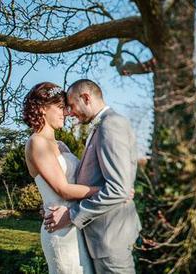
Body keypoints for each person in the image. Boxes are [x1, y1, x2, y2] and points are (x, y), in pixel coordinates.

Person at [44, 79, 141, 274]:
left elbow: (118, 190)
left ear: (86, 98)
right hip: (101, 238)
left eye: (71, 105)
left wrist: (71, 215)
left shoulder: (111, 125)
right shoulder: (100, 126)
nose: (69, 112)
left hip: (111, 239)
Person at [23, 82, 97, 274]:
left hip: (75, 224)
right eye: (60, 107)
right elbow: (63, 189)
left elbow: (79, 180)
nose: (65, 113)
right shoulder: (36, 143)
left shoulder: (61, 145)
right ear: (42, 109)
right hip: (60, 232)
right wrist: (109, 190)